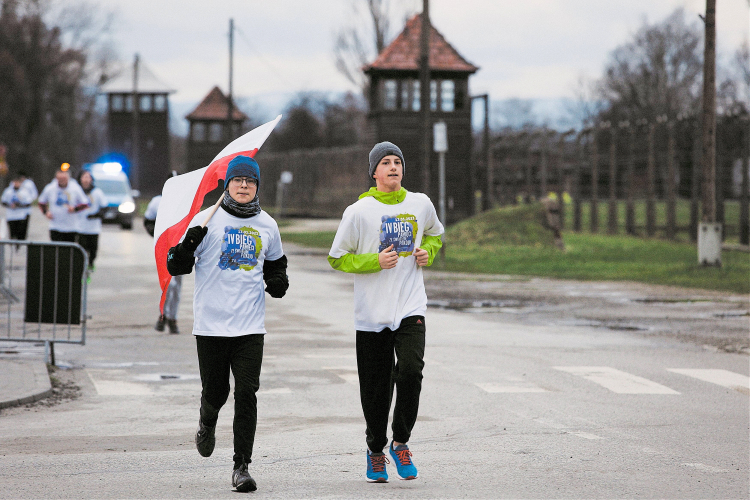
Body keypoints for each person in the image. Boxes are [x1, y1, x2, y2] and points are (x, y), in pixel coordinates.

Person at [166, 155, 289, 493]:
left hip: (250, 328)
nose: (244, 186)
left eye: (250, 181)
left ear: (257, 186)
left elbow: (276, 266)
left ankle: (241, 467)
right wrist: (189, 244)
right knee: (217, 392)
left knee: (247, 393)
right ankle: (207, 420)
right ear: (228, 185)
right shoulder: (206, 221)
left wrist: (278, 282)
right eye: (238, 181)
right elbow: (176, 266)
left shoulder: (267, 224)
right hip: (211, 327)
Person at [328, 141, 444, 483]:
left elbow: (436, 234)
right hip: (371, 314)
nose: (393, 167)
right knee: (376, 389)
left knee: (411, 370)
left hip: (410, 306)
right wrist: (372, 261)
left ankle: (401, 442)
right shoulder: (358, 212)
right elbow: (337, 257)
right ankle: (376, 450)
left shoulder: (420, 204)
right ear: (374, 172)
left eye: (397, 162)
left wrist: (428, 252)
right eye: (386, 162)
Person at [145, 177, 181, 334]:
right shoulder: (157, 201)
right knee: (169, 284)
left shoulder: (186, 200)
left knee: (177, 287)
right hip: (165, 248)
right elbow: (147, 221)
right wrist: (157, 237)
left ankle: (173, 318)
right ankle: (163, 315)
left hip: (181, 247)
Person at [37, 167, 89, 242]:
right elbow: (41, 202)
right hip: (55, 226)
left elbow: (85, 203)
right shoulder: (50, 188)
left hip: (71, 227)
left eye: (64, 179)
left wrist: (75, 209)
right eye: (59, 179)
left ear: (68, 178)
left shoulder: (75, 187)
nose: (61, 181)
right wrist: (46, 212)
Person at [76, 170, 108, 272]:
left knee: (93, 250)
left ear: (91, 179)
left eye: (88, 177)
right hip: (80, 227)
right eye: (83, 177)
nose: (85, 180)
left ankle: (91, 263)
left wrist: (96, 215)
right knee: (82, 249)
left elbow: (104, 207)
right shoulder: (77, 191)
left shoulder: (97, 192)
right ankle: (82, 268)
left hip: (94, 228)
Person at [1, 174, 34, 242]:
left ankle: (19, 248)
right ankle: (13, 249)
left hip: (21, 216)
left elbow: (28, 203)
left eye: (18, 182)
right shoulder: (8, 191)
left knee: (21, 234)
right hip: (11, 216)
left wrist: (18, 205)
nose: (16, 184)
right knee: (12, 234)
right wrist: (10, 206)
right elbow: (3, 202)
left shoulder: (24, 192)